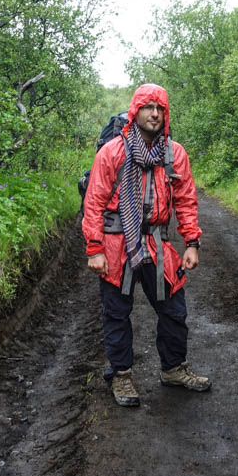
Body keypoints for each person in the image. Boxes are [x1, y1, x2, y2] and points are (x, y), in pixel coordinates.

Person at [81, 83, 211, 407]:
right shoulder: (112, 152)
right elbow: (94, 203)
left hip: (157, 243)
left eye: (160, 109)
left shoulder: (174, 153)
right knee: (116, 314)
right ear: (134, 111)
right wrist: (95, 249)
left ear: (166, 114)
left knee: (174, 310)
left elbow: (186, 200)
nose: (154, 114)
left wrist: (191, 242)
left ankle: (173, 369)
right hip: (116, 244)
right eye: (148, 107)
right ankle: (121, 375)